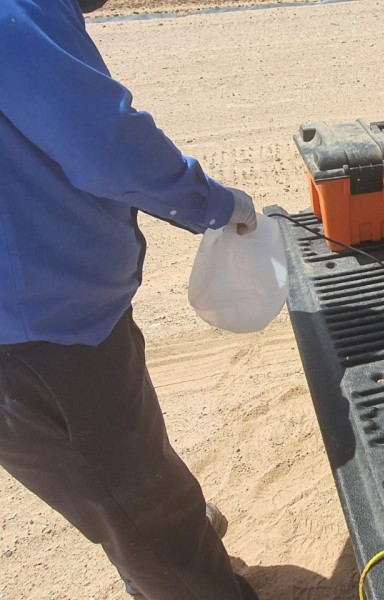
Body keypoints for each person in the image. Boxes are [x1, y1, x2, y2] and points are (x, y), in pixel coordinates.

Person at [0, 1, 260, 598]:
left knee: (126, 476)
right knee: (142, 513)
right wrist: (213, 203)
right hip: (38, 337)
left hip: (52, 323)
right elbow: (101, 142)